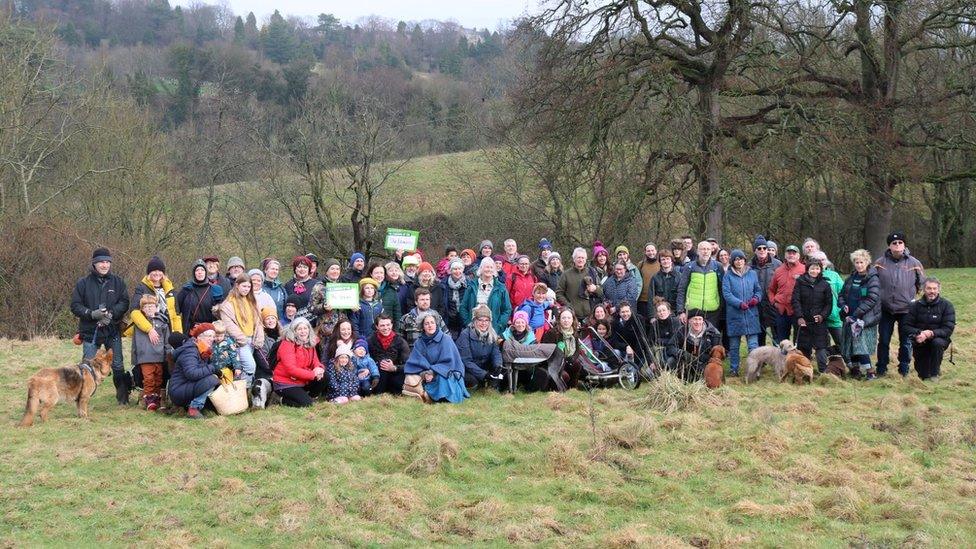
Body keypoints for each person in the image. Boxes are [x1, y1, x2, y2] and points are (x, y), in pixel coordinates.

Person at [70, 247, 130, 404]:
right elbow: (75, 305)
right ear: (94, 264)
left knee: (117, 365)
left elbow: (124, 302)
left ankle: (122, 399)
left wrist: (111, 314)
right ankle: (82, 398)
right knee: (86, 366)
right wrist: (91, 313)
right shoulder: (83, 283)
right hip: (90, 332)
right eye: (101, 262)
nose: (104, 265)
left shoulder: (118, 282)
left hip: (112, 330)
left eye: (107, 262)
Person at [874, 232, 925, 377]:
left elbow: (923, 284)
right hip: (885, 309)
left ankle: (904, 369)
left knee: (906, 341)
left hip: (906, 310)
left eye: (900, 242)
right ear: (889, 246)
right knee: (883, 340)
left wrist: (916, 301)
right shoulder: (879, 263)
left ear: (904, 245)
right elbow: (872, 283)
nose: (897, 245)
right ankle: (881, 369)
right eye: (894, 243)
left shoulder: (914, 263)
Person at [404, 314, 470, 403]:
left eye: (432, 323)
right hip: (426, 374)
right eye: (426, 324)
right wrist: (425, 374)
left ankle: (432, 397)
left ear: (436, 324)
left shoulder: (446, 339)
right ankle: (424, 394)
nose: (430, 325)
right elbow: (415, 362)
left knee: (443, 379)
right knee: (410, 377)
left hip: (447, 372)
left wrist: (432, 372)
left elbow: (449, 363)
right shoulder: (419, 342)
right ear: (423, 327)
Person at [838, 249, 882, 379]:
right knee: (850, 344)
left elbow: (872, 299)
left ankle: (870, 372)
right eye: (856, 262)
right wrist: (843, 305)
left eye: (861, 262)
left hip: (864, 318)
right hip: (849, 317)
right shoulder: (851, 278)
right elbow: (841, 294)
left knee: (860, 345)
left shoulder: (873, 279)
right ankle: (856, 370)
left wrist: (856, 315)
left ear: (867, 262)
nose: (859, 265)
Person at [217, 274, 265, 387]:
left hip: (252, 340)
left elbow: (258, 321)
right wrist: (241, 339)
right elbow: (228, 325)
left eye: (249, 287)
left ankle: (239, 394)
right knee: (250, 366)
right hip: (239, 342)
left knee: (242, 369)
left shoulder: (252, 301)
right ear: (237, 285)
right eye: (244, 286)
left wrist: (259, 336)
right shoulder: (228, 304)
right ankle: (244, 389)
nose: (246, 289)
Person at [904, 277, 955, 381]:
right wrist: (919, 334)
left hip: (939, 339)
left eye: (934, 288)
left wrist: (930, 333)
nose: (932, 291)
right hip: (919, 339)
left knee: (937, 343)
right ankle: (923, 372)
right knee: (923, 375)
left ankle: (935, 374)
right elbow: (906, 326)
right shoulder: (914, 306)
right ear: (923, 289)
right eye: (929, 288)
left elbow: (948, 328)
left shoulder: (947, 306)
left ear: (938, 290)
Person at [722, 249, 762, 376]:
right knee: (734, 346)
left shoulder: (752, 274)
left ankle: (754, 370)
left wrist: (756, 298)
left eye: (741, 259)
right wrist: (739, 303)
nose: (739, 261)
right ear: (732, 262)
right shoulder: (728, 276)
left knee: (753, 346)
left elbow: (758, 290)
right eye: (736, 259)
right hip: (735, 315)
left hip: (751, 314)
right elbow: (727, 294)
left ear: (745, 260)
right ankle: (734, 369)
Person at [169, 323, 221, 418]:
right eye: (209, 336)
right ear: (199, 337)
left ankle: (198, 406)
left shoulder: (204, 350)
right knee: (212, 380)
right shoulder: (190, 351)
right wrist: (213, 368)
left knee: (215, 379)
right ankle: (194, 408)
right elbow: (191, 373)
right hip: (178, 390)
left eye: (213, 336)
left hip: (188, 386)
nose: (212, 339)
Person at [272, 318, 326, 407]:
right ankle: (280, 399)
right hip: (286, 383)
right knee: (306, 404)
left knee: (325, 376)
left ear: (309, 329)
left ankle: (309, 397)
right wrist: (313, 374)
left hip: (302, 380)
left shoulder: (310, 342)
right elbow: (291, 370)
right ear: (294, 331)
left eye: (305, 328)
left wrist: (319, 368)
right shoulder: (287, 344)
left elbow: (315, 360)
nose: (303, 331)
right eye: (299, 329)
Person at [130, 294, 170, 411]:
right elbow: (135, 342)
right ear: (142, 309)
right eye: (146, 307)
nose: (149, 308)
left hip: (159, 356)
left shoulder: (162, 322)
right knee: (148, 379)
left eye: (151, 306)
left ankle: (158, 399)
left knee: (158, 379)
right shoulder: (139, 324)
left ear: (156, 307)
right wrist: (135, 357)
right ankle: (149, 400)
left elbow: (167, 339)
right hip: (145, 356)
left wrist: (168, 353)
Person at [791, 260, 833, 372]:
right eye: (812, 269)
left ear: (820, 270)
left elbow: (829, 304)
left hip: (819, 322)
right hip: (803, 322)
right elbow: (795, 300)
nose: (815, 271)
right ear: (807, 269)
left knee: (821, 347)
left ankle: (823, 372)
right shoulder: (800, 282)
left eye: (817, 269)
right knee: (803, 348)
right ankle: (804, 371)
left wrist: (822, 316)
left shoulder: (825, 284)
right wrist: (799, 317)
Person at [455, 305, 504, 390]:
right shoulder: (465, 334)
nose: (483, 323)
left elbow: (496, 353)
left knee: (501, 377)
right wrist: (484, 374)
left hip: (484, 367)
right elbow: (466, 361)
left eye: (486, 320)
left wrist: (498, 366)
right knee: (473, 382)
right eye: (480, 320)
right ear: (474, 321)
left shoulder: (492, 334)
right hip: (468, 369)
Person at [676, 241, 723, 327]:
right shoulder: (689, 267)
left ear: (711, 251)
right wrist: (680, 311)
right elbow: (681, 289)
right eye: (703, 249)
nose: (705, 251)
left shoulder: (717, 266)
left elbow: (722, 288)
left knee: (711, 337)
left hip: (712, 311)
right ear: (698, 251)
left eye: (708, 249)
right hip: (693, 311)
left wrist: (720, 308)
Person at [666, 309, 722, 381]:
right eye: (695, 319)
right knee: (671, 360)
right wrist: (682, 353)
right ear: (689, 321)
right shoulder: (682, 331)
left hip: (704, 364)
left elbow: (718, 355)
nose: (698, 322)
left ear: (703, 321)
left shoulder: (714, 333)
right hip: (686, 362)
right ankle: (671, 380)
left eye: (700, 319)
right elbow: (670, 346)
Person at [460, 257, 512, 334]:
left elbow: (507, 309)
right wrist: (468, 323)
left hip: (493, 330)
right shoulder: (472, 286)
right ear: (481, 268)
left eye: (491, 267)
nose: (489, 269)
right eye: (487, 267)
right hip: (473, 329)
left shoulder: (501, 288)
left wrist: (499, 326)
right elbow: (463, 307)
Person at [767, 245, 805, 342]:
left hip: (798, 310)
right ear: (785, 255)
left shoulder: (804, 269)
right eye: (789, 253)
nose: (791, 255)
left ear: (798, 256)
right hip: (781, 311)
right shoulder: (778, 270)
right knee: (782, 340)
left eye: (794, 253)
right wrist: (774, 302)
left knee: (799, 339)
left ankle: (798, 357)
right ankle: (783, 357)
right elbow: (771, 290)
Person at [540, 307, 585, 388]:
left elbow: (577, 350)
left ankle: (572, 388)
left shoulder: (574, 333)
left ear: (572, 320)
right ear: (559, 320)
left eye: (569, 318)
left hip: (567, 361)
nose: (566, 320)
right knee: (565, 376)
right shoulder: (552, 333)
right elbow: (547, 353)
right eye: (563, 318)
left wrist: (572, 358)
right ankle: (558, 389)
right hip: (554, 364)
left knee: (577, 364)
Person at [749, 235, 781, 346]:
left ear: (767, 250)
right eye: (759, 248)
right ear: (755, 250)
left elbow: (781, 285)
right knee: (760, 334)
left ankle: (778, 358)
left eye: (764, 248)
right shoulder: (749, 266)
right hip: (757, 305)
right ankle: (761, 360)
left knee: (777, 334)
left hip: (773, 304)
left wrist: (777, 300)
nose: (762, 250)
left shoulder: (777, 264)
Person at [367, 314, 411, 395]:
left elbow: (408, 364)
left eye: (388, 325)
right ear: (377, 327)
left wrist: (394, 368)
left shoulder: (401, 341)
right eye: (382, 325)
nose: (386, 328)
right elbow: (365, 359)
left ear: (392, 325)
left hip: (395, 374)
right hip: (377, 374)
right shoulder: (370, 341)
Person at [808, 251, 844, 347]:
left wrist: (841, 307)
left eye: (823, 259)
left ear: (827, 261)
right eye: (818, 260)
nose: (821, 261)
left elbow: (844, 292)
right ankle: (828, 360)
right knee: (823, 344)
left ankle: (847, 361)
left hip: (834, 315)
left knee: (841, 342)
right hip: (817, 316)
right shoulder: (808, 276)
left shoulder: (834, 275)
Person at [556, 247, 602, 320]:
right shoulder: (566, 275)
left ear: (586, 259)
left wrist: (595, 289)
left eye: (583, 258)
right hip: (573, 316)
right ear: (574, 259)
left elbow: (601, 292)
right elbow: (559, 294)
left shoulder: (592, 272)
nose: (581, 260)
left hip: (590, 316)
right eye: (578, 258)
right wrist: (568, 305)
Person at [177, 259, 222, 330]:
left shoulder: (215, 291)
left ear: (206, 272)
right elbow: (176, 310)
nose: (200, 272)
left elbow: (220, 315)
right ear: (194, 273)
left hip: (209, 331)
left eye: (202, 270)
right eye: (197, 270)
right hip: (190, 331)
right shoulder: (186, 290)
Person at [610, 301, 650, 365]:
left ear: (631, 311)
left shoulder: (638, 319)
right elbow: (614, 341)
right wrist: (626, 347)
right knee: (615, 353)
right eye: (623, 312)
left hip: (637, 350)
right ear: (619, 313)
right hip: (623, 349)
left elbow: (641, 338)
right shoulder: (615, 322)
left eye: (627, 311)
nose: (625, 314)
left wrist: (635, 356)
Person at [438, 258, 468, 337]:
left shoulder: (469, 284)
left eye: (459, 269)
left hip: (464, 320)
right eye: (455, 269)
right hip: (449, 320)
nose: (457, 271)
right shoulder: (443, 284)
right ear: (450, 271)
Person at [648, 298, 681, 369]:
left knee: (666, 364)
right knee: (647, 373)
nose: (662, 313)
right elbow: (650, 342)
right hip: (656, 351)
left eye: (664, 310)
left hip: (672, 352)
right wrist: (651, 361)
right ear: (656, 313)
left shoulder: (675, 321)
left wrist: (659, 340)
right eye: (659, 311)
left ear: (669, 311)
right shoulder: (655, 324)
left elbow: (674, 341)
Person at [636, 242, 660, 319]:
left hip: (657, 300)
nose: (651, 253)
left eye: (652, 250)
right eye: (648, 251)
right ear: (645, 252)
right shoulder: (641, 265)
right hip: (643, 300)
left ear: (656, 251)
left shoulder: (661, 264)